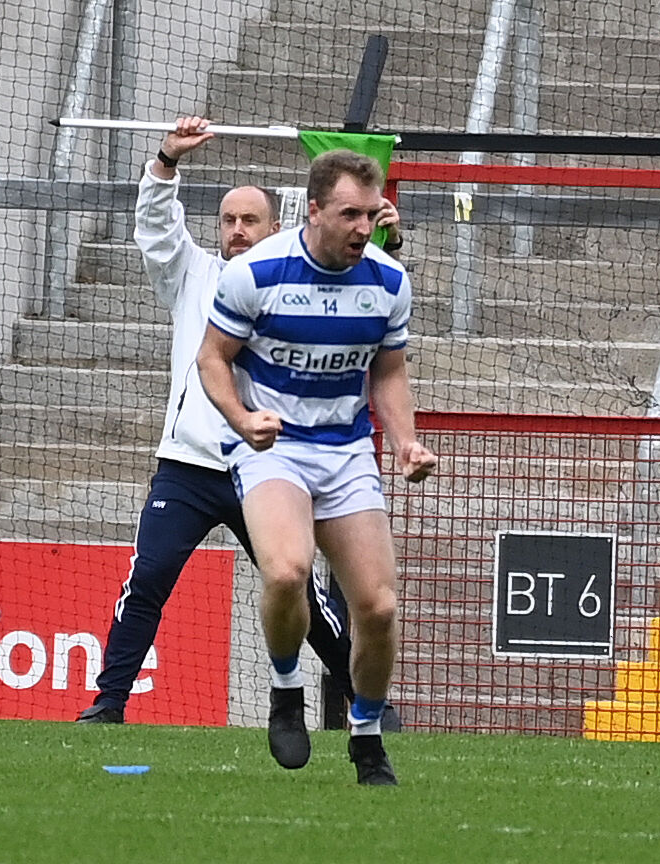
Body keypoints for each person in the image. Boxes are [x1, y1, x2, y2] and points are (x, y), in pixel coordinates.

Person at [76, 117, 404, 728]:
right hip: (192, 464)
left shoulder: (296, 276)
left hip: (271, 463)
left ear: (276, 225)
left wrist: (386, 241)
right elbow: (155, 231)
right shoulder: (193, 276)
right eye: (227, 220)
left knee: (299, 591)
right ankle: (108, 703)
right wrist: (165, 162)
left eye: (249, 220)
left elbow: (363, 298)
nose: (236, 231)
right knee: (146, 578)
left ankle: (373, 709)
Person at [196, 148, 437, 785]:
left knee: (379, 608)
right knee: (285, 571)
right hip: (275, 448)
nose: (364, 226)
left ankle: (365, 736)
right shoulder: (256, 273)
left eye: (369, 213)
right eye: (349, 214)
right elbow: (212, 360)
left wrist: (406, 442)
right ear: (314, 211)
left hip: (347, 450)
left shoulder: (387, 281)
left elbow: (388, 371)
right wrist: (243, 421)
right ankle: (285, 690)